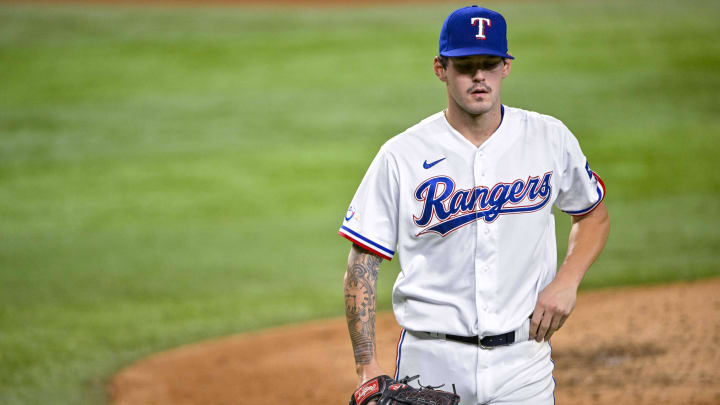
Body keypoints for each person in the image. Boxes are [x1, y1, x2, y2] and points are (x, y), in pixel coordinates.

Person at [339, 5, 610, 405]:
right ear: (440, 69)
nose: (479, 76)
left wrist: (567, 281)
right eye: (466, 65)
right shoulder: (401, 155)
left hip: (524, 365)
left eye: (490, 63)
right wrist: (367, 366)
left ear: (506, 67)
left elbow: (593, 215)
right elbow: (363, 261)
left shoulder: (549, 138)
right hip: (428, 365)